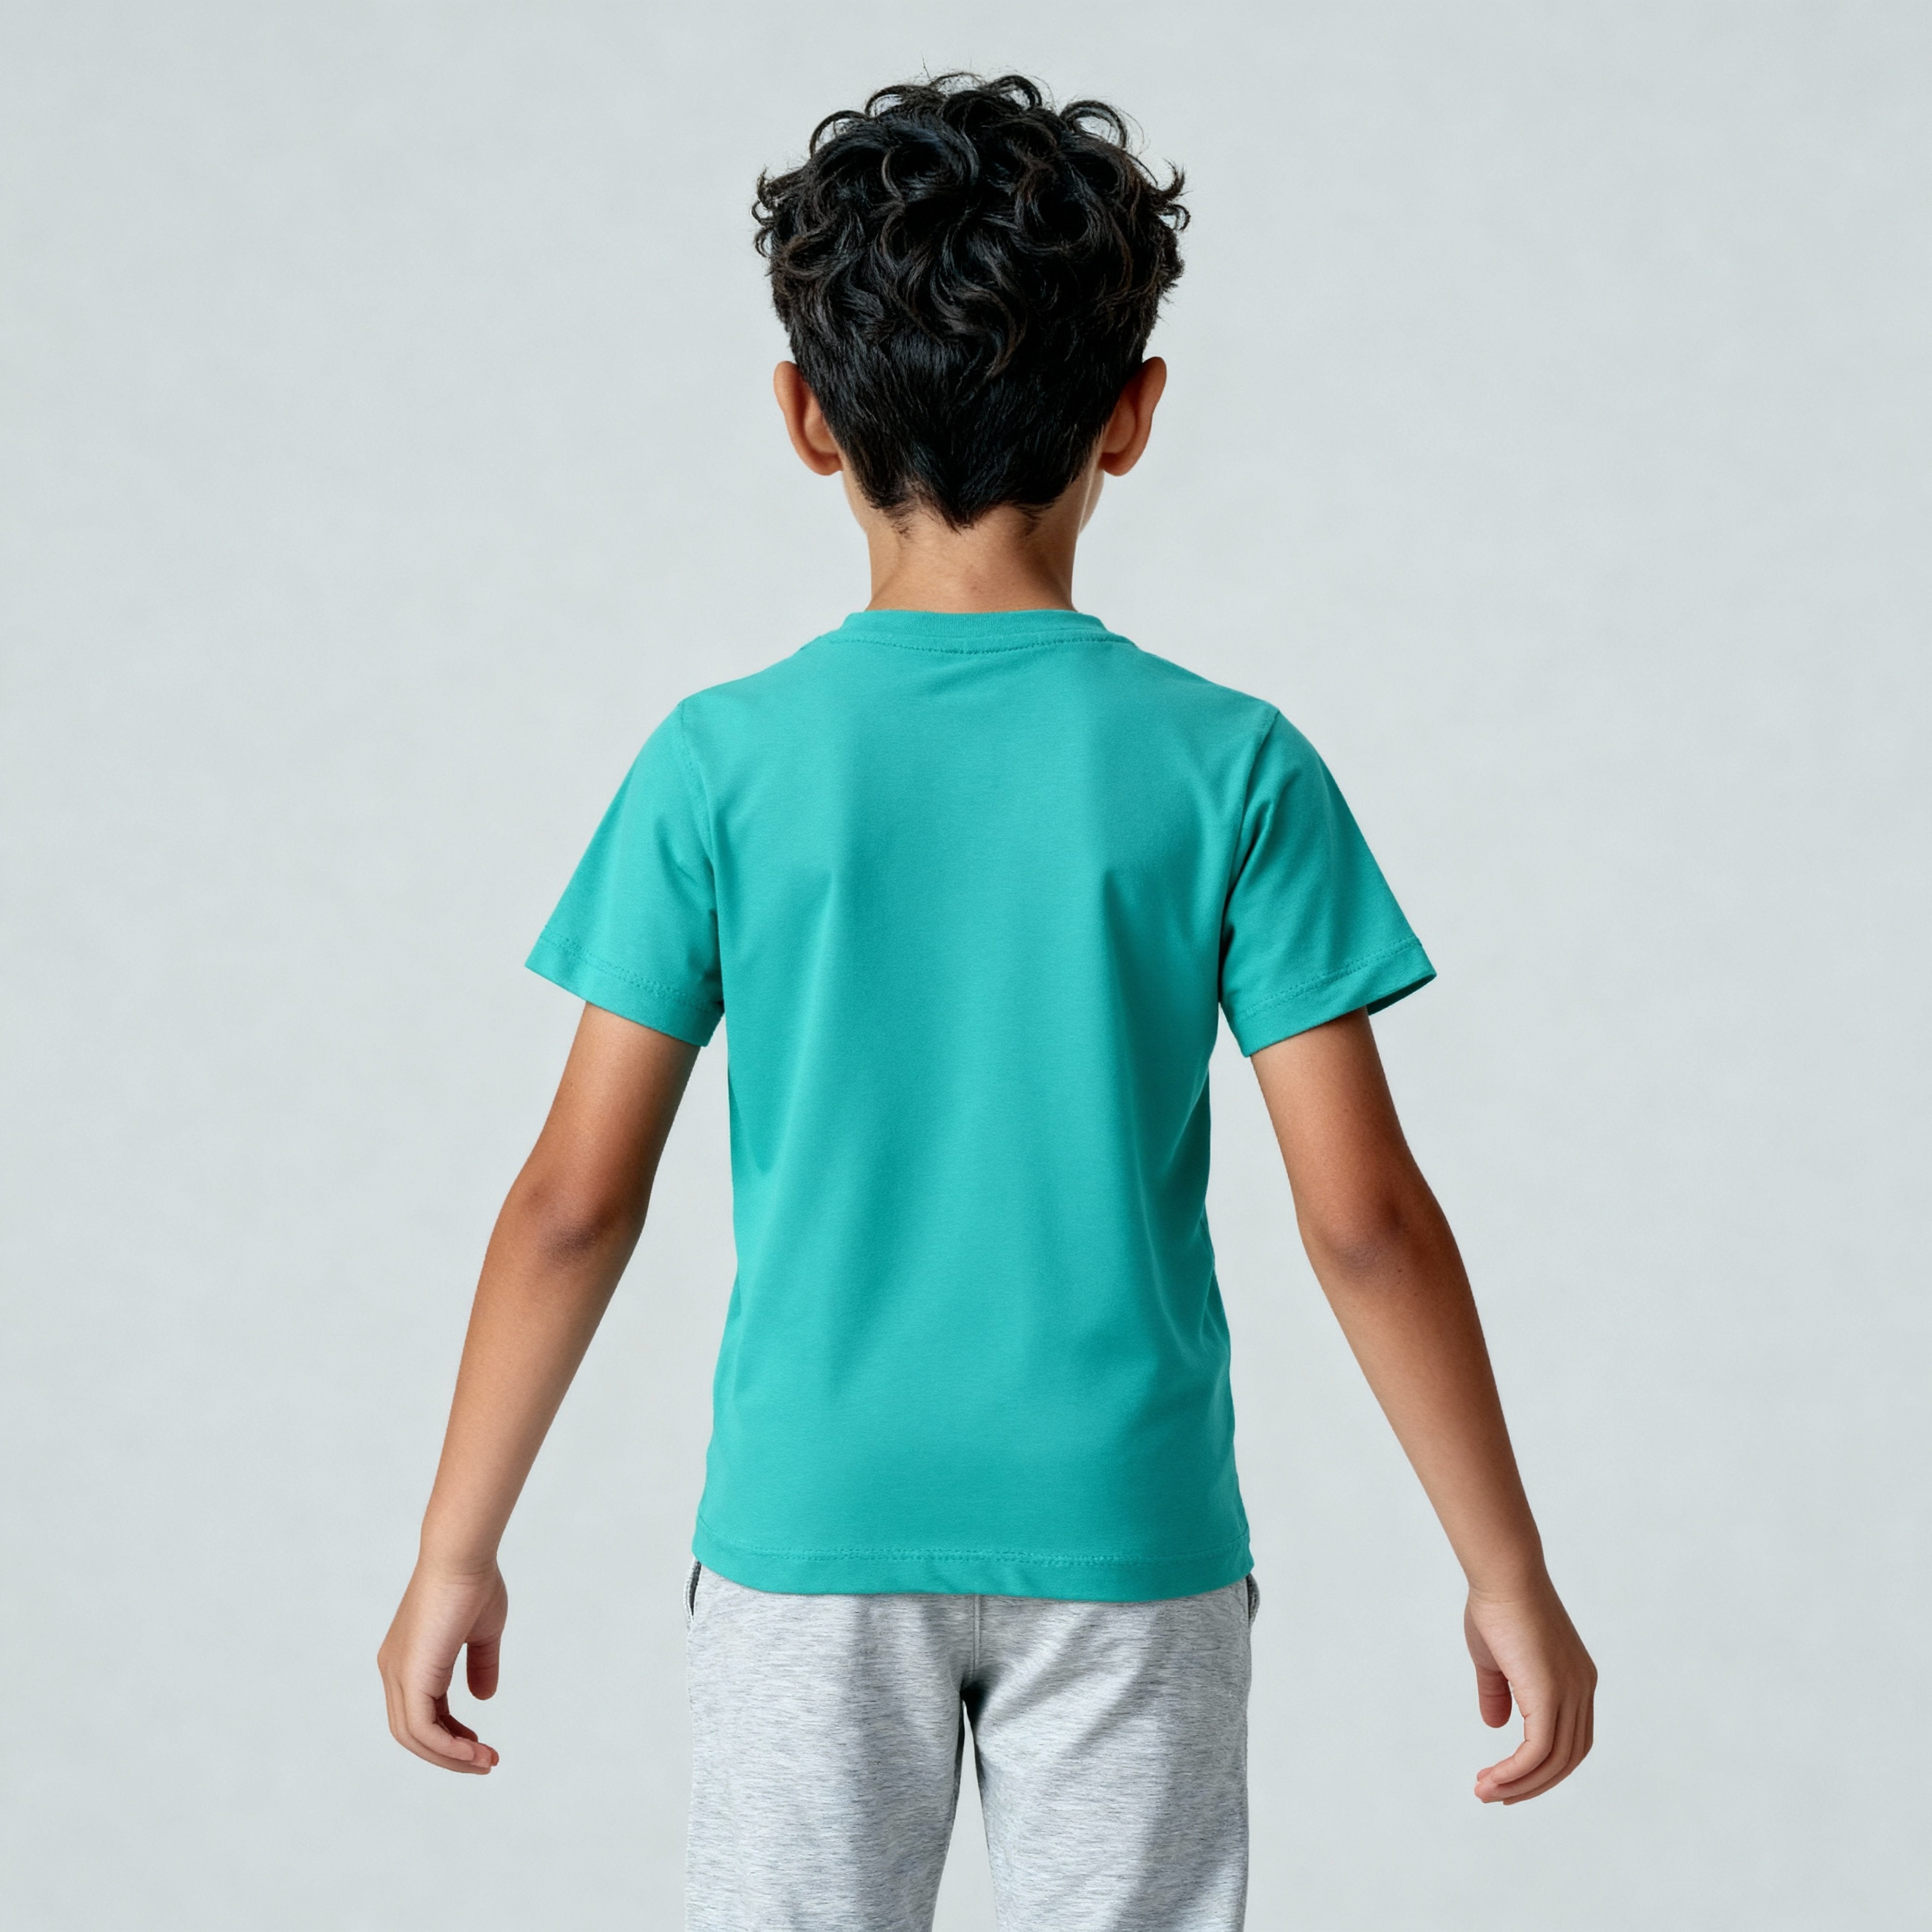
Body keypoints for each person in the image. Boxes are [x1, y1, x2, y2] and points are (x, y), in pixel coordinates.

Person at [378, 71, 1595, 1932]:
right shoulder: (1234, 768)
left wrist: (456, 1544)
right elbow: (1363, 1218)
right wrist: (1504, 1566)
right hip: (1128, 1535)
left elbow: (570, 1201)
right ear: (1134, 414)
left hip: (811, 1532)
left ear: (806, 416)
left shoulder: (719, 765)